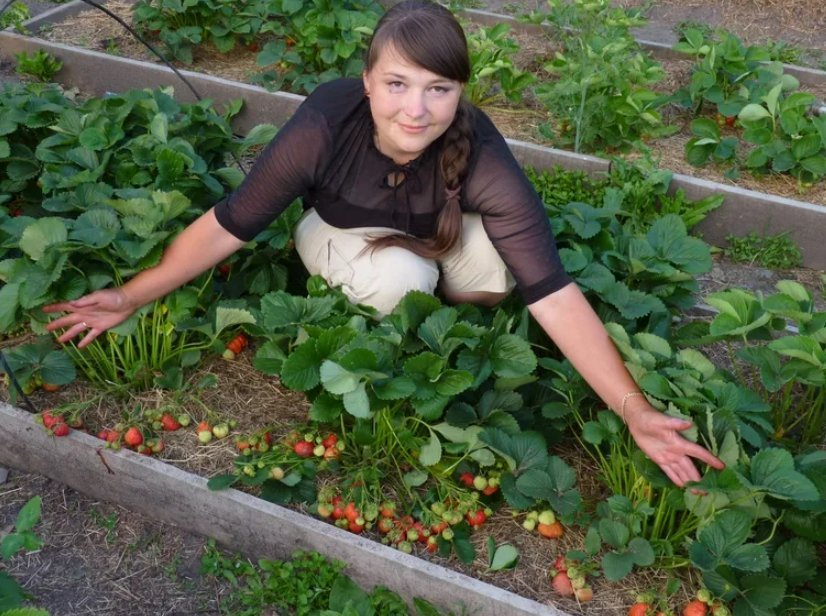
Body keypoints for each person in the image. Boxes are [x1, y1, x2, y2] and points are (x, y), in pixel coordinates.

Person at [43, 0, 723, 488]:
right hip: (341, 231)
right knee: (402, 284)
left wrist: (633, 408)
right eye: (397, 84)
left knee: (499, 268)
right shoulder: (327, 122)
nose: (415, 110)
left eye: (438, 89)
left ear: (460, 93)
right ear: (368, 80)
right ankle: (405, 311)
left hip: (434, 231)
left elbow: (552, 291)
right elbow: (231, 223)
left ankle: (445, 319)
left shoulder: (480, 150)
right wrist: (129, 295)